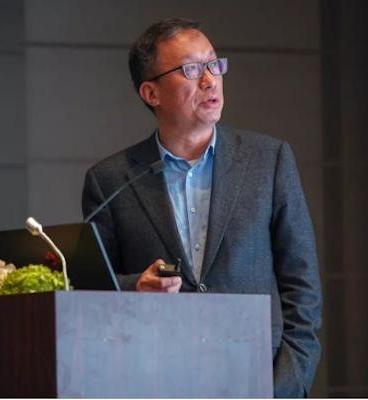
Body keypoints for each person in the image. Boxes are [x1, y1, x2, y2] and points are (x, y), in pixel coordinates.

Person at [82, 18, 322, 398]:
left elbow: (302, 287)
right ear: (151, 92)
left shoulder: (269, 160)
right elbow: (92, 292)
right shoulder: (111, 180)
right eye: (191, 70)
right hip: (157, 381)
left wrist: (284, 387)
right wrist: (135, 286)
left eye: (214, 64)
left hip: (258, 377)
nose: (210, 80)